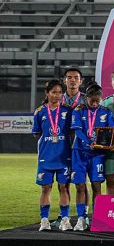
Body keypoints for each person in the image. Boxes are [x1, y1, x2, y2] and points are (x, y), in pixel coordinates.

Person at [70, 83, 114, 230]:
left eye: (98, 100)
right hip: (80, 152)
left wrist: (109, 142)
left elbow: (111, 130)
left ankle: (97, 218)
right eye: (92, 100)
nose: (95, 103)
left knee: (97, 185)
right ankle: (81, 218)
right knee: (80, 185)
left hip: (97, 154)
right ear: (87, 98)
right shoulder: (79, 111)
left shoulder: (106, 112)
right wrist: (89, 141)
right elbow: (77, 131)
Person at [32, 79, 73, 231]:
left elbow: (72, 132)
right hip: (46, 156)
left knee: (64, 187)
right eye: (54, 92)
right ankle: (44, 220)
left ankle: (66, 219)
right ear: (47, 93)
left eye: (60, 93)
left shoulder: (68, 111)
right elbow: (37, 133)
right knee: (46, 188)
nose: (57, 95)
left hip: (64, 156)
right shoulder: (40, 111)